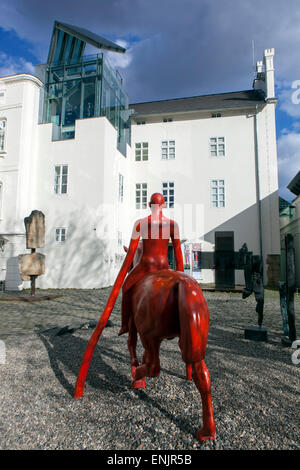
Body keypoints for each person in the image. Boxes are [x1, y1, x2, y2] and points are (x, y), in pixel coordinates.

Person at [118, 192, 184, 335]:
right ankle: (180, 323)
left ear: (149, 205)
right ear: (164, 205)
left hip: (145, 267)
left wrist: (122, 274)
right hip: (164, 267)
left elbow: (131, 254)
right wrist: (181, 276)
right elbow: (179, 257)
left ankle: (125, 325)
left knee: (126, 288)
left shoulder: (140, 223)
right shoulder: (173, 225)